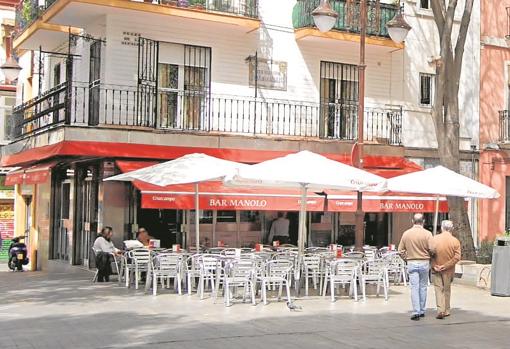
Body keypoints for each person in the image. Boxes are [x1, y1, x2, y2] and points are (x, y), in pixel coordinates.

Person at [398, 213, 433, 321]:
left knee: (414, 287)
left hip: (412, 262)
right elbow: (432, 249)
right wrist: (430, 257)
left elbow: (400, 250)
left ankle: (416, 311)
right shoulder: (428, 234)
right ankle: (422, 310)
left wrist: (406, 258)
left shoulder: (406, 234)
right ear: (423, 221)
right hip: (424, 262)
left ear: (412, 221)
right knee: (423, 287)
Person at [430, 220, 461, 320]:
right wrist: (446, 265)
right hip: (449, 270)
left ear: (442, 228)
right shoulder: (455, 241)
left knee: (438, 289)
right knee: (447, 290)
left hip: (436, 269)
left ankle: (440, 310)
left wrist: (434, 265)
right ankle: (447, 310)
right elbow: (457, 257)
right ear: (451, 229)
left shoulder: (434, 239)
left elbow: (430, 254)